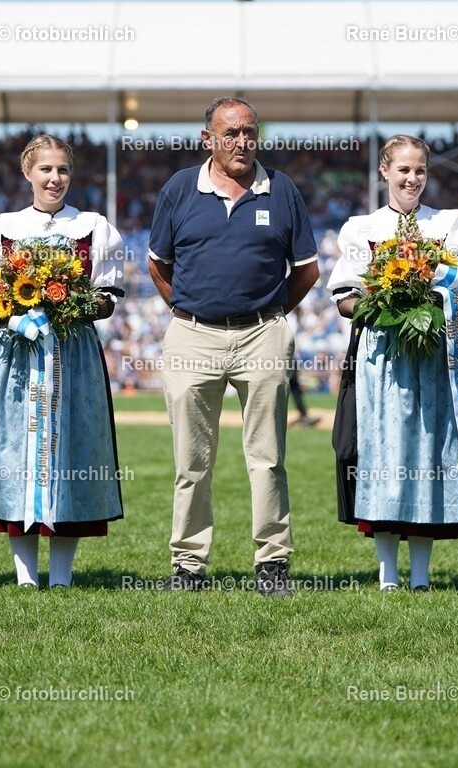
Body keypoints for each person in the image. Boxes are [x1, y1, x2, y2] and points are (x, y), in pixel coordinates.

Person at [148, 97, 319, 597]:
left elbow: (306, 271)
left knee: (267, 457)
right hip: (191, 333)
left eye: (249, 131)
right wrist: (189, 309)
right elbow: (158, 264)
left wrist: (268, 316)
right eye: (230, 133)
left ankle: (272, 565)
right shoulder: (180, 188)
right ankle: (188, 566)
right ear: (209, 140)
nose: (241, 141)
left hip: (262, 333)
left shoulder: (281, 189)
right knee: (190, 460)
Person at [327, 135, 458, 592]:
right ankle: (386, 573)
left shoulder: (449, 225)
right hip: (383, 361)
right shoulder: (362, 228)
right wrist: (386, 302)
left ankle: (420, 575)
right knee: (386, 457)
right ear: (384, 172)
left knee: (426, 456)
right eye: (403, 170)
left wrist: (429, 298)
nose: (412, 178)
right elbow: (345, 301)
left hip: (436, 357)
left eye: (419, 170)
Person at [0, 134, 125, 588]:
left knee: (69, 452)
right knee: (17, 452)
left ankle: (60, 575)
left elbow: (108, 300)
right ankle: (23, 575)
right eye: (46, 170)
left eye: (62, 170)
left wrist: (66, 303)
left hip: (72, 356)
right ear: (27, 173)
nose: (55, 178)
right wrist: (21, 312)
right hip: (17, 356)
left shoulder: (93, 226)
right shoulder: (4, 227)